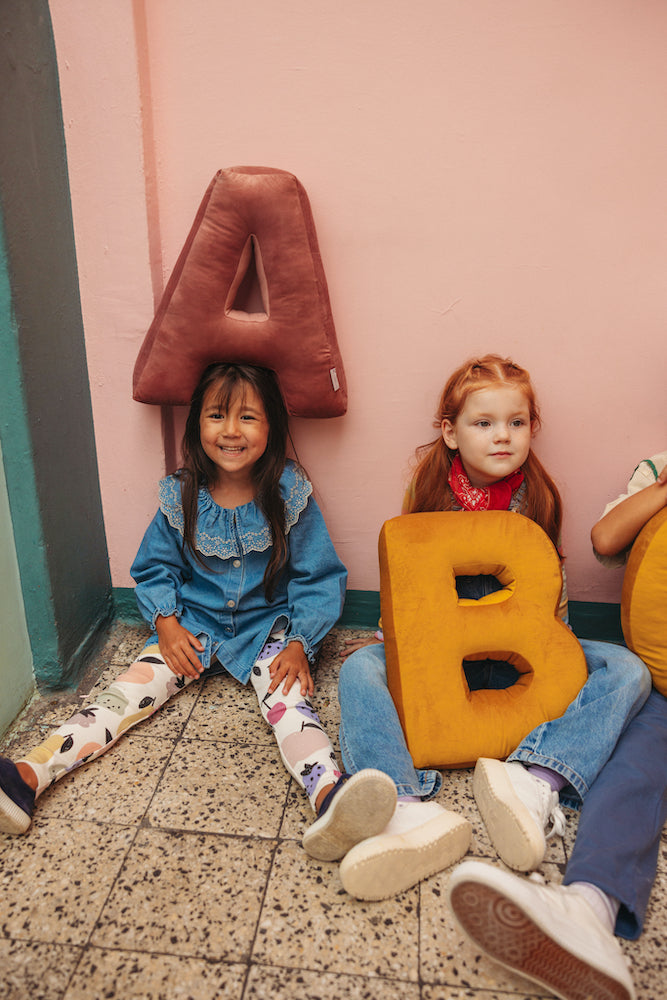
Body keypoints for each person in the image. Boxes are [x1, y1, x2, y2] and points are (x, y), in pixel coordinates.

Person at [0, 362, 396, 861]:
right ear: (197, 425)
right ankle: (27, 775)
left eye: (248, 417)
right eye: (216, 415)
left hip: (268, 627)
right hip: (193, 626)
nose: (231, 430)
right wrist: (165, 623)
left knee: (290, 706)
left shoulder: (289, 492)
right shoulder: (180, 495)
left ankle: (331, 797)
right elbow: (154, 568)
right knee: (126, 693)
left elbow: (318, 577)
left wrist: (300, 643)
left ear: (271, 426)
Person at [337, 355, 650, 901]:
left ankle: (537, 776)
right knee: (360, 667)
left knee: (627, 668)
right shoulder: (428, 492)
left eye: (517, 422)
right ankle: (406, 810)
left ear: (532, 427)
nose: (502, 437)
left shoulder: (540, 496)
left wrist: (558, 650)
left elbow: (549, 590)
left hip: (517, 654)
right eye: (483, 424)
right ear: (450, 432)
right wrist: (393, 644)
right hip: (446, 657)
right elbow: (406, 583)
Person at [447, 451, 667, 1000]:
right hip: (664, 684)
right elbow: (606, 540)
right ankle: (587, 911)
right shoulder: (656, 469)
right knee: (633, 769)